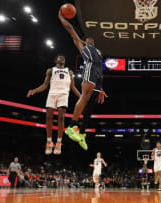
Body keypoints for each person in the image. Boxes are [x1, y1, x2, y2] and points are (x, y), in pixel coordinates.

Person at [58, 10, 107, 151]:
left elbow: (100, 67)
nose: (91, 40)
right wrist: (61, 17)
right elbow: (70, 29)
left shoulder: (98, 51)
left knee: (90, 106)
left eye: (92, 40)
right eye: (89, 40)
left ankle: (82, 133)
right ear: (85, 41)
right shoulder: (82, 45)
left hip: (98, 76)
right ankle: (71, 126)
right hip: (90, 72)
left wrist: (101, 87)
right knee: (85, 97)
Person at [27, 55, 81, 155]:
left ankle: (59, 143)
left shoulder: (69, 72)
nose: (61, 58)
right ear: (56, 60)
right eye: (59, 57)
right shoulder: (50, 70)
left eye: (63, 57)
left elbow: (73, 87)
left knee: (61, 118)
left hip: (63, 95)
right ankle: (49, 142)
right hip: (52, 94)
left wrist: (82, 97)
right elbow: (44, 85)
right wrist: (34, 91)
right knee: (48, 117)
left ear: (64, 61)